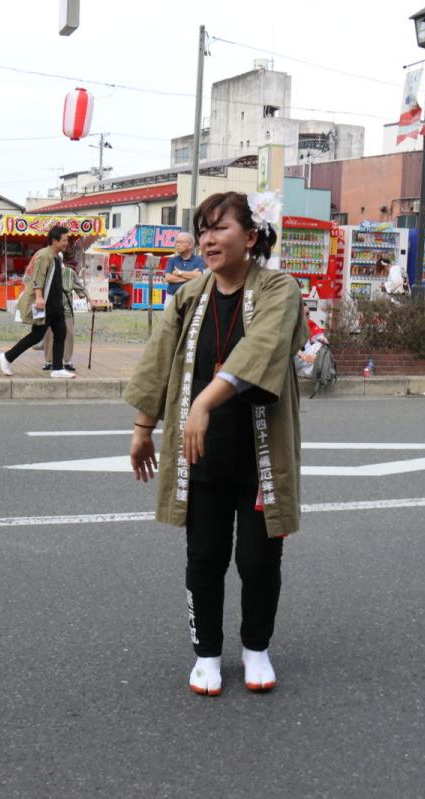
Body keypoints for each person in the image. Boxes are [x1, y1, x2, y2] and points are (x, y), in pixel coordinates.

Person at [125, 191, 306, 697]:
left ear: (250, 237)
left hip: (260, 455)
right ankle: (206, 652)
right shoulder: (191, 294)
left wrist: (203, 403)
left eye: (220, 228)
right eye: (203, 228)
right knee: (203, 557)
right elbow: (160, 358)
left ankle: (256, 648)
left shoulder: (279, 289)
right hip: (199, 453)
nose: (207, 238)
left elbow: (263, 347)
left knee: (258, 559)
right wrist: (143, 428)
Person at [0, 225, 75, 379]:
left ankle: (58, 368)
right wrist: (39, 298)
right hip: (45, 303)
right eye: (64, 240)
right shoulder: (43, 255)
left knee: (61, 332)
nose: (67, 243)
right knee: (36, 335)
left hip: (55, 303)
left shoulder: (57, 256)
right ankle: (6, 357)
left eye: (67, 240)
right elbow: (37, 279)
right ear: (54, 240)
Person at [43, 260, 89, 371]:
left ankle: (66, 360)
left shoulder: (70, 273)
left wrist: (90, 299)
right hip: (50, 309)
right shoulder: (47, 272)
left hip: (66, 310)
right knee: (49, 334)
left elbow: (80, 287)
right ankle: (49, 361)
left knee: (69, 333)